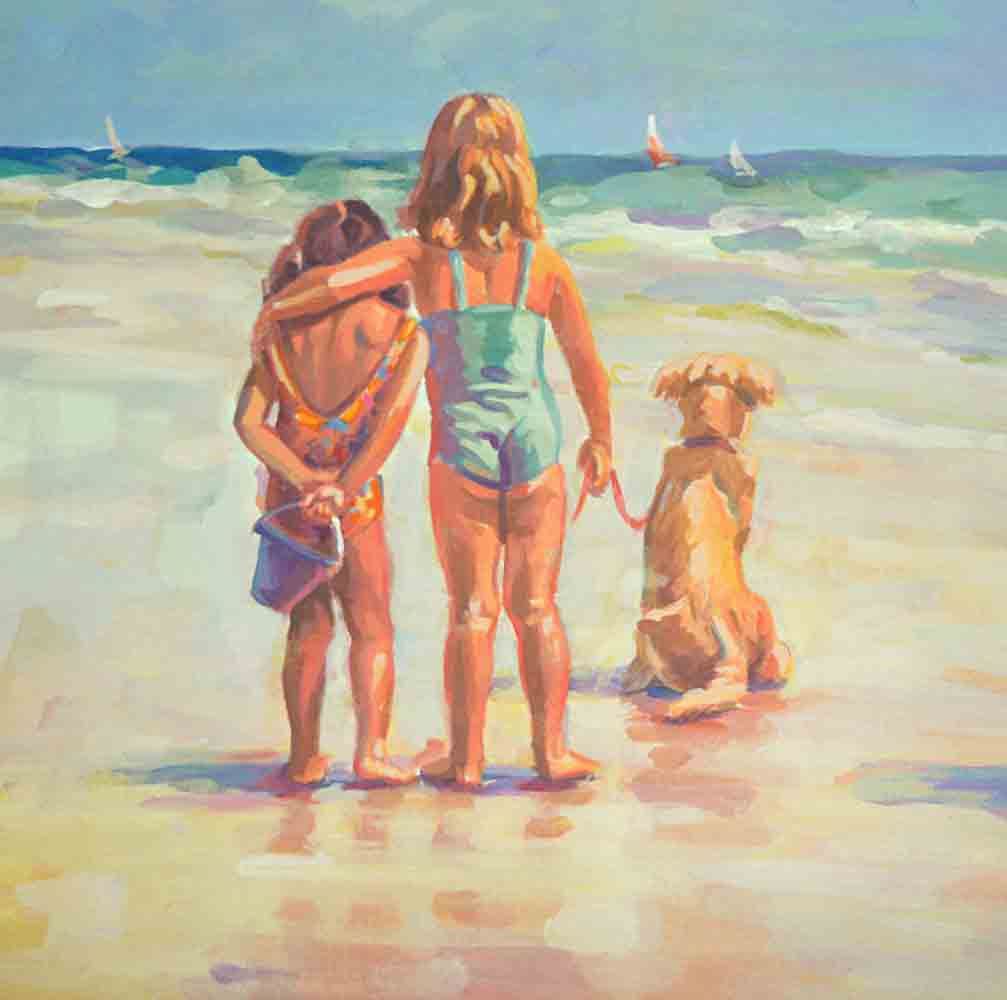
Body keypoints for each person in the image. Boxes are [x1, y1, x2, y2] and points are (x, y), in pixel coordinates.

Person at [253, 94, 612, 788]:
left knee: (472, 612)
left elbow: (330, 286)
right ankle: (551, 753)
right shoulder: (543, 266)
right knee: (538, 608)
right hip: (536, 443)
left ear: (437, 168)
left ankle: (467, 761)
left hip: (462, 450)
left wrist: (275, 312)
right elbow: (585, 364)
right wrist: (600, 438)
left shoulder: (420, 258)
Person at [235, 199, 429, 785]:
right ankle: (371, 754)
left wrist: (303, 481)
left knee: (308, 626)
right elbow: (388, 430)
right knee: (372, 626)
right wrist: (342, 488)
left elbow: (249, 423)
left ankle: (303, 758)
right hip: (356, 498)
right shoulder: (403, 333)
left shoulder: (281, 331)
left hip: (291, 500)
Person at [621, 353, 794, 722]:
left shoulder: (706, 461)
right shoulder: (701, 461)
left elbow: (660, 536)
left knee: (702, 584)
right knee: (700, 583)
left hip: (694, 612)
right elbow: (737, 532)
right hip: (700, 611)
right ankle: (730, 662)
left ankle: (726, 670)